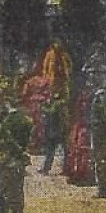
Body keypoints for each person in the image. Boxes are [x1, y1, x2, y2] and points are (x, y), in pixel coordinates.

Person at [34, 38, 72, 174]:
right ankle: (47, 168)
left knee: (62, 144)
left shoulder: (62, 60)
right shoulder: (51, 57)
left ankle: (65, 168)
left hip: (60, 119)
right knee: (52, 144)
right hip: (54, 120)